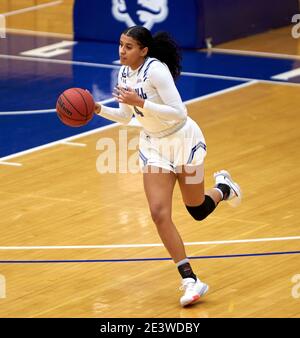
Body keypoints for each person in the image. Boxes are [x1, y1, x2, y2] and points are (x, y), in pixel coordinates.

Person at [94, 25, 242, 307]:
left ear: (144, 50)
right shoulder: (124, 72)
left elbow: (179, 112)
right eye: (121, 45)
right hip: (154, 146)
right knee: (158, 213)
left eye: (128, 47)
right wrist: (98, 110)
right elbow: (127, 117)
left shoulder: (156, 71)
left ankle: (223, 188)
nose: (122, 51)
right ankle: (190, 279)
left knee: (196, 209)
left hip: (183, 140)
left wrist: (142, 102)